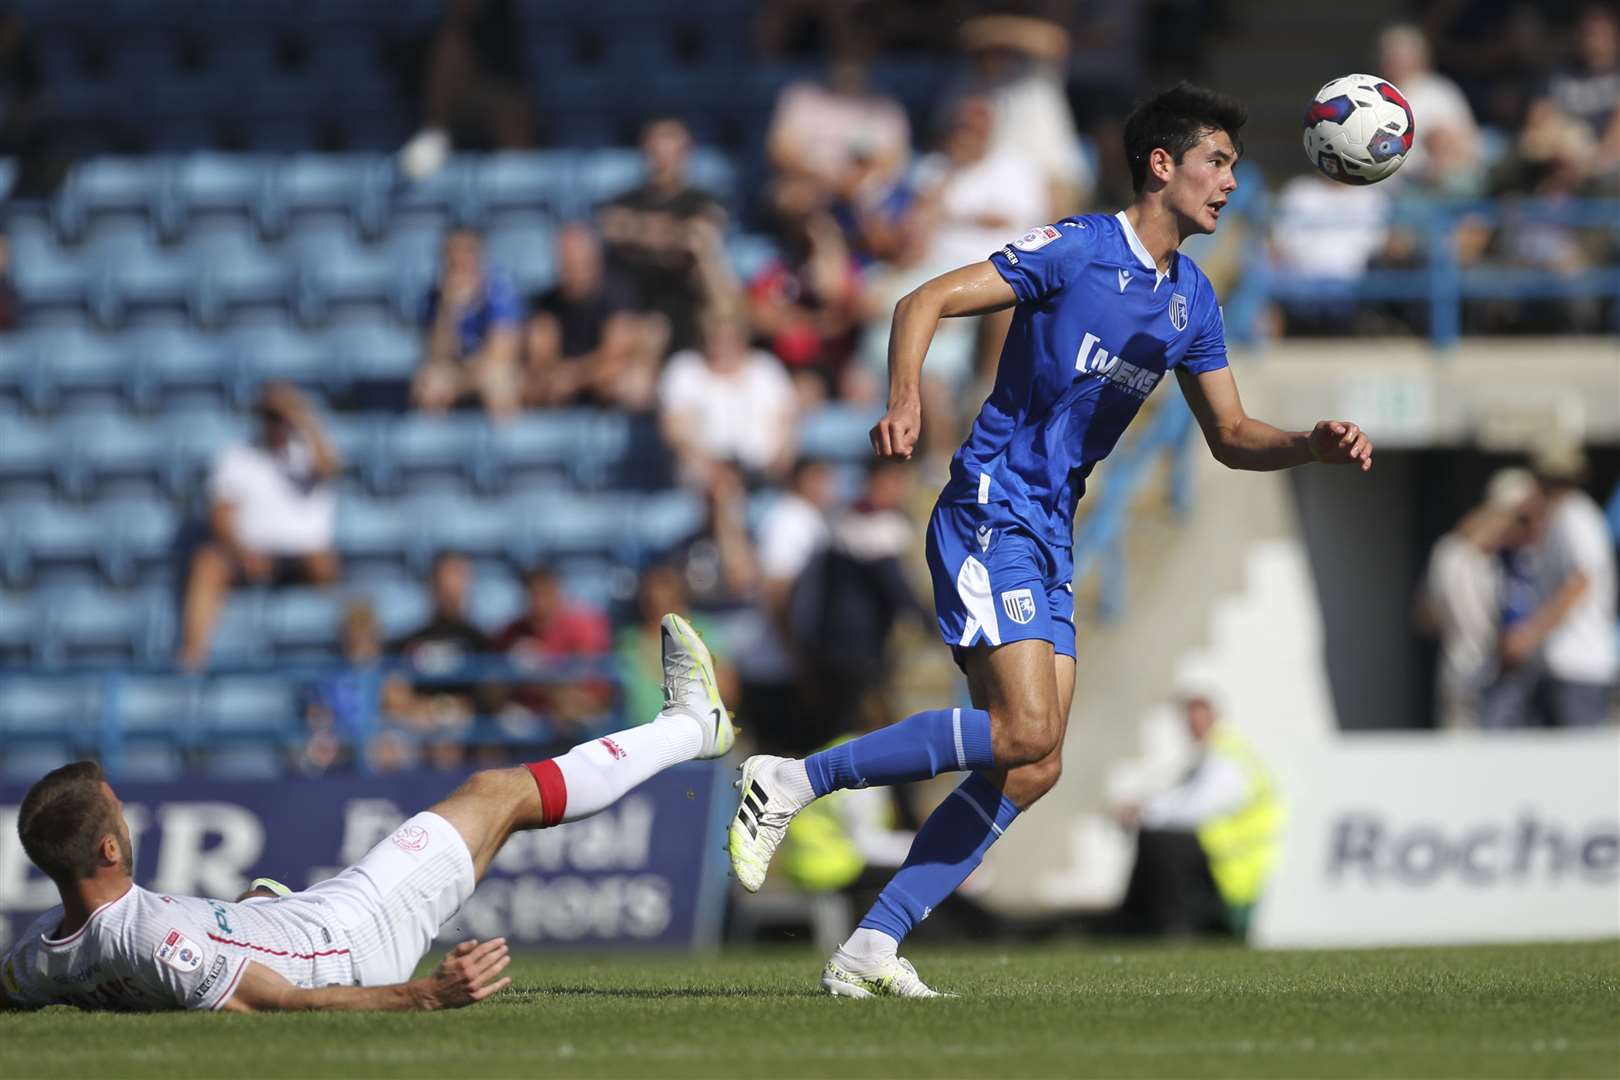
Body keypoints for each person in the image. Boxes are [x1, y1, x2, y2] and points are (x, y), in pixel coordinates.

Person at [726, 83, 1374, 998]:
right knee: (1022, 729)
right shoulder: (1076, 249)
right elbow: (922, 301)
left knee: (1036, 765)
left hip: (1049, 530)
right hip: (991, 504)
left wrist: (1309, 443)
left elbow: (1230, 437)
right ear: (1162, 164)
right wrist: (906, 398)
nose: (1231, 182)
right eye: (1217, 162)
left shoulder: (1193, 302)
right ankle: (793, 778)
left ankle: (870, 944)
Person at [0, 616, 731, 1013]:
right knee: (497, 792)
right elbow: (279, 1005)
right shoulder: (161, 937)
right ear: (105, 850)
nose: (125, 809)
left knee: (498, 810)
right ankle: (693, 726)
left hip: (301, 921)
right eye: (115, 810)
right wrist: (425, 995)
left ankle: (689, 728)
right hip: (348, 941)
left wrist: (246, 919)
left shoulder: (40, 952)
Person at [177, 384, 342, 670]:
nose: (277, 425)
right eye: (271, 417)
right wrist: (242, 553)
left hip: (302, 555)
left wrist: (302, 416)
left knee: (326, 564)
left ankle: (341, 654)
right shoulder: (237, 458)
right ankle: (192, 655)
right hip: (249, 554)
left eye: (281, 417)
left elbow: (332, 467)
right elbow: (221, 516)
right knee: (207, 563)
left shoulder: (306, 456)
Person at [1111, 696, 1282, 938]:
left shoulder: (1227, 758)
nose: (1192, 727)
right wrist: (1146, 809)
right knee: (1158, 836)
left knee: (1162, 842)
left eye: (1197, 720)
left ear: (1214, 718)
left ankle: (1163, 925)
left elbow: (1197, 807)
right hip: (1229, 860)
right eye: (1189, 721)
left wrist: (1145, 813)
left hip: (1237, 866)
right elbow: (1186, 798)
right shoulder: (1220, 752)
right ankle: (1139, 920)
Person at [1498, 443, 1618, 727]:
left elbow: (1581, 582)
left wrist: (1530, 634)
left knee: (1576, 764)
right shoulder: (1562, 516)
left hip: (1578, 663)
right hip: (1562, 664)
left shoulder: (1576, 517)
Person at [1415, 468, 1544, 730]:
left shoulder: (1460, 554)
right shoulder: (1461, 557)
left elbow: (1426, 617)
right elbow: (1425, 618)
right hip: (1469, 677)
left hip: (1483, 677)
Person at [598, 117, 728, 353]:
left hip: (687, 306)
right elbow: (611, 227)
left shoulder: (701, 200)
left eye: (669, 142)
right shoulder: (625, 199)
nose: (661, 152)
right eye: (655, 143)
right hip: (636, 307)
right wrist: (675, 234)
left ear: (686, 150)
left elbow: (701, 237)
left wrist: (637, 229)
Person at [658, 304, 799, 489]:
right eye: (715, 336)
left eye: (729, 337)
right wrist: (713, 471)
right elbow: (675, 432)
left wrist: (776, 465)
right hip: (703, 482)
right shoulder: (685, 370)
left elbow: (788, 425)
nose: (721, 344)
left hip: (761, 478)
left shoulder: (766, 369)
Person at [520, 224, 657, 411]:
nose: (570, 267)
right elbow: (540, 359)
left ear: (593, 259)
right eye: (565, 259)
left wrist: (574, 377)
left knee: (630, 382)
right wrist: (555, 377)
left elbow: (615, 356)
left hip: (597, 380)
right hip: (560, 383)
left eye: (576, 259)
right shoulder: (546, 304)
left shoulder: (617, 295)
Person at [489, 567, 614, 742]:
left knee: (569, 703)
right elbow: (493, 683)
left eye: (544, 593)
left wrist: (541, 672)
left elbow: (587, 684)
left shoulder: (582, 627)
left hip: (581, 717)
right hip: (527, 717)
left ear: (557, 593)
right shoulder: (511, 633)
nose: (538, 601)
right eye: (532, 594)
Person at [392, 552, 491, 768]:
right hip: (418, 720)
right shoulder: (410, 641)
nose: (451, 586)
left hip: (466, 720)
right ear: (432, 584)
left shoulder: (482, 641)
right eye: (445, 578)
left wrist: (454, 710)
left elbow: (490, 694)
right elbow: (395, 689)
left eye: (458, 577)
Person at [413, 229, 522, 421]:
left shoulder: (498, 289)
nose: (459, 262)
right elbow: (436, 355)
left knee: (500, 384)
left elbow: (502, 352)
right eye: (451, 256)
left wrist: (470, 369)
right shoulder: (437, 296)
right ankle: (437, 447)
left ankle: (504, 447)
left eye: (466, 253)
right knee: (428, 385)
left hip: (487, 369)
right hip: (456, 372)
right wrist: (448, 310)